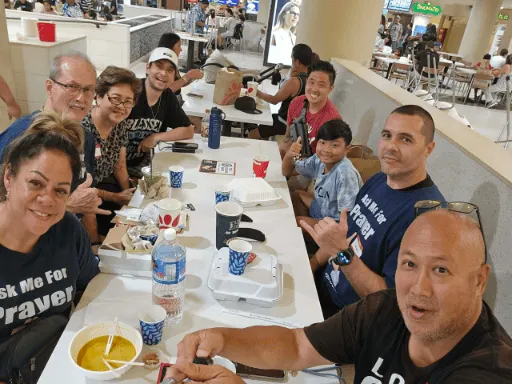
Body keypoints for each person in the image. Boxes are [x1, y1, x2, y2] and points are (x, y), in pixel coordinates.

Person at [164, 209, 512, 384]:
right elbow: (297, 346)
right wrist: (221, 338)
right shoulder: (386, 310)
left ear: (479, 280)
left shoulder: (490, 371)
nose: (418, 289)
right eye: (409, 264)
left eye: (441, 270)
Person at [305, 105, 444, 318]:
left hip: (347, 320)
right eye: (387, 135)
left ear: (429, 148)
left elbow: (390, 302)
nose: (390, 147)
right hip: (320, 288)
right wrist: (310, 266)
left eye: (405, 139)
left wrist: (342, 253)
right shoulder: (379, 180)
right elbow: (343, 236)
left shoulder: (426, 218)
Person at [0, 111, 100, 383]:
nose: (47, 200)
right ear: (9, 176)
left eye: (60, 190)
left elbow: (90, 290)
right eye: (35, 183)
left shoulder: (67, 230)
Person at [0, 53, 108, 217]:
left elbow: (84, 192)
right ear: (50, 87)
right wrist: (66, 204)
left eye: (88, 89)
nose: (81, 98)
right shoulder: (20, 136)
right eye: (72, 87)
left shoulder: (86, 139)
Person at [81, 66, 141, 242]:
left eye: (128, 101)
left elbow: (120, 166)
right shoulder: (82, 131)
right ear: (98, 97)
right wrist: (115, 197)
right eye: (115, 99)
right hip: (83, 199)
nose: (121, 107)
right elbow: (82, 188)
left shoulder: (120, 124)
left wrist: (129, 199)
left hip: (105, 191)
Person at [122, 48, 194, 179]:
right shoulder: (131, 91)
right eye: (159, 66)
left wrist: (156, 137)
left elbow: (188, 131)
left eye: (169, 70)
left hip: (142, 164)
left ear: (174, 76)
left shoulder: (167, 97)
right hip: (115, 167)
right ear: (148, 68)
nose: (163, 73)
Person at [282, 119, 362, 228]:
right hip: (321, 209)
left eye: (335, 145)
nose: (326, 150)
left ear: (347, 149)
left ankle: (310, 237)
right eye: (323, 142)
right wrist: (290, 154)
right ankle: (307, 236)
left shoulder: (345, 173)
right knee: (296, 194)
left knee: (297, 221)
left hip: (334, 223)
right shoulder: (318, 159)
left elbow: (346, 217)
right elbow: (286, 172)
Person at [249, 43, 313, 140]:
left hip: (283, 123)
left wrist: (257, 92)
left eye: (292, 59)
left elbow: (274, 100)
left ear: (297, 62)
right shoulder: (311, 79)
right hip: (298, 124)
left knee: (252, 134)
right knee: (265, 122)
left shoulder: (294, 82)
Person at [279, 60, 341, 158]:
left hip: (312, 168)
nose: (314, 89)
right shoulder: (296, 102)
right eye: (311, 82)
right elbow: (287, 138)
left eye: (321, 85)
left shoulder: (332, 121)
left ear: (330, 89)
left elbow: (324, 164)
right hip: (293, 158)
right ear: (306, 81)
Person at [158, 32, 204, 103]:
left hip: (176, 100)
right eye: (179, 46)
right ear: (170, 46)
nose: (181, 49)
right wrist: (188, 75)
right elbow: (167, 90)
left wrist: (193, 77)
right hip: (166, 105)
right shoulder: (160, 64)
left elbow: (180, 83)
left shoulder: (172, 62)